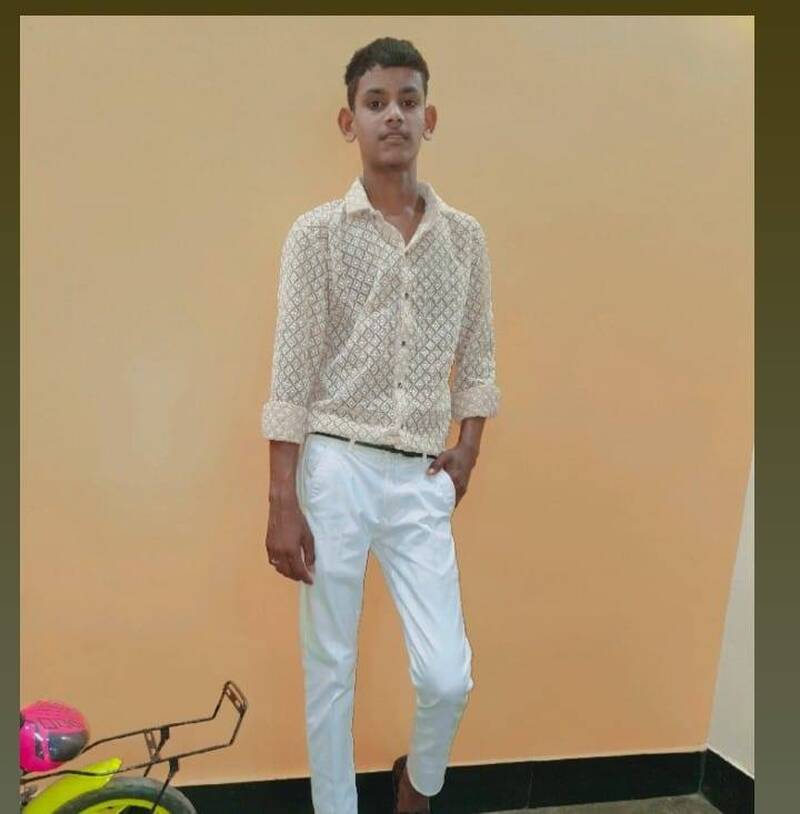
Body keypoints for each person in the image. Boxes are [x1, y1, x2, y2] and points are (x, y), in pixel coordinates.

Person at [261, 36, 501, 814]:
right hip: (334, 465)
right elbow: (292, 373)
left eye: (406, 100)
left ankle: (417, 785)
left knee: (447, 675)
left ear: (430, 118)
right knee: (329, 667)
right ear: (349, 122)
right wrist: (282, 498)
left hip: (420, 475)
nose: (392, 114)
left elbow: (479, 357)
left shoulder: (464, 239)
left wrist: (467, 451)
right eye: (375, 102)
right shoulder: (317, 235)